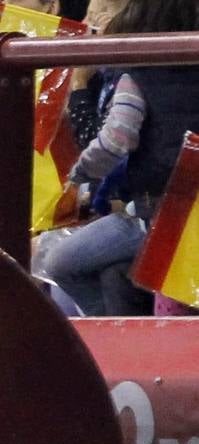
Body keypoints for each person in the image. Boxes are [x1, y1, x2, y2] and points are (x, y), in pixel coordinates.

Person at [41, 0, 199, 315]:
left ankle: (118, 338)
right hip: (172, 217)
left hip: (156, 218)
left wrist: (79, 175)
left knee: (60, 262)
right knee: (114, 274)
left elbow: (116, 140)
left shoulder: (137, 76)